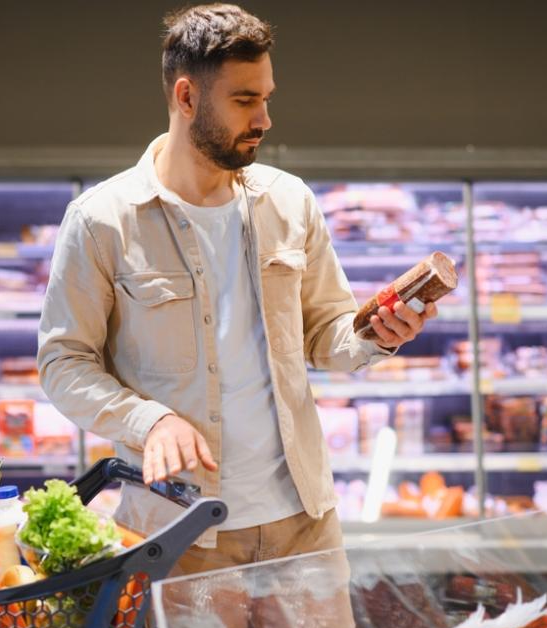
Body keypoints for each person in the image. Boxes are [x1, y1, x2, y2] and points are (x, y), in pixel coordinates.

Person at [38, 2, 437, 576]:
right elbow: (63, 362)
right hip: (178, 533)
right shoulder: (104, 220)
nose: (265, 119)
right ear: (186, 98)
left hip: (304, 524)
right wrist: (150, 421)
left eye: (266, 97)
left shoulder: (289, 201)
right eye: (245, 100)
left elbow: (326, 332)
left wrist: (376, 336)